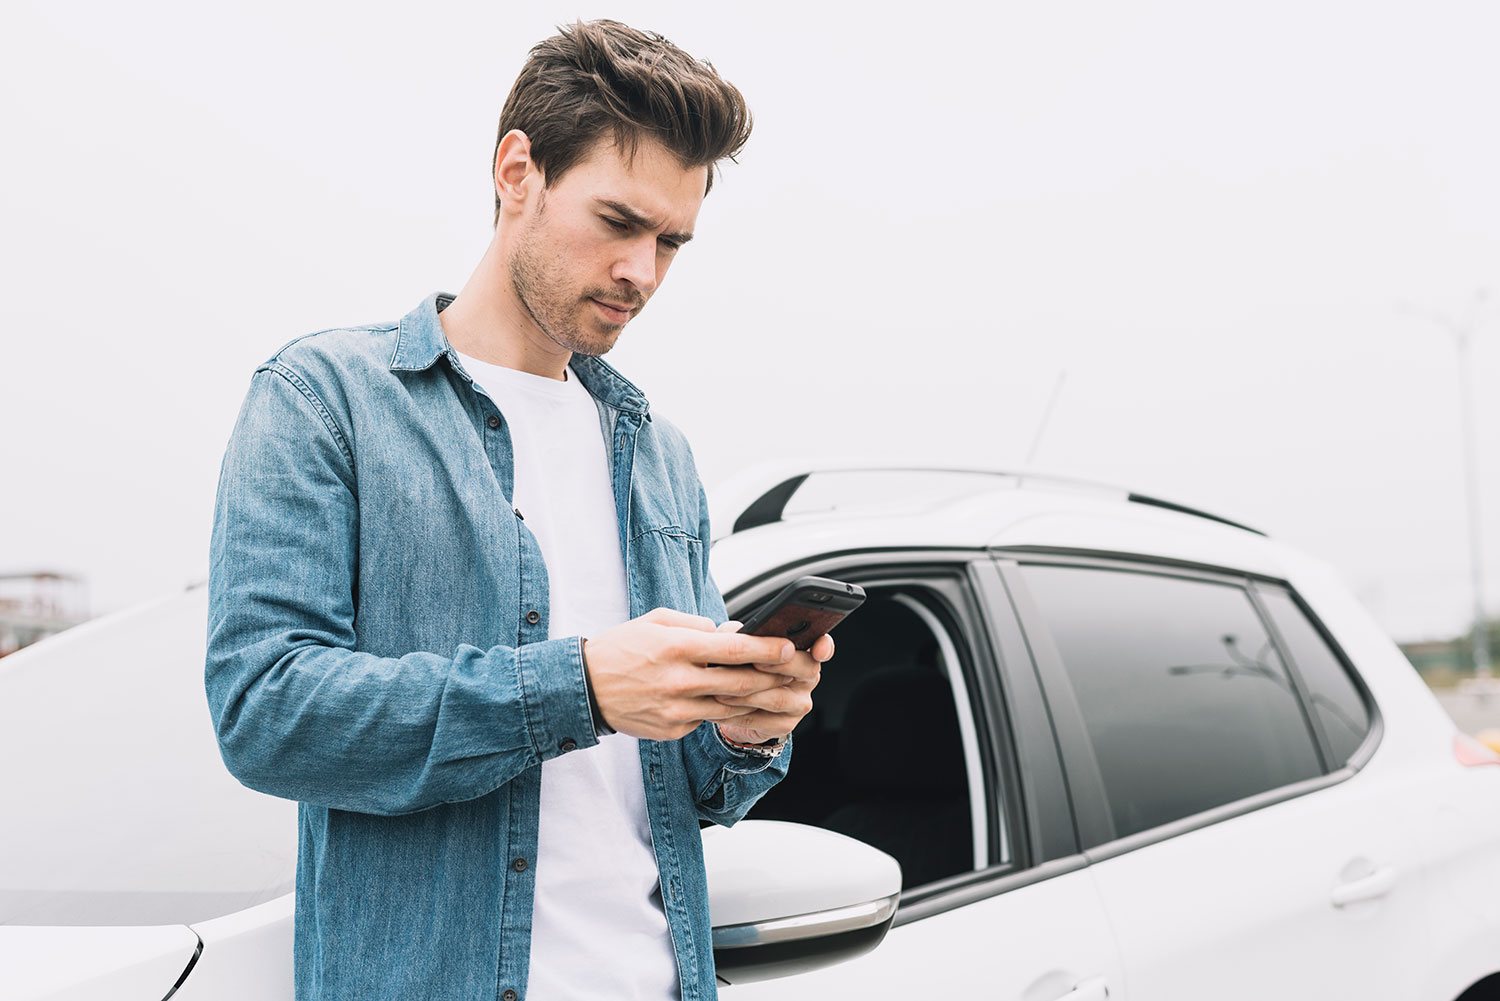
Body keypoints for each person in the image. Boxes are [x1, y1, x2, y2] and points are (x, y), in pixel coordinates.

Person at [204, 19, 832, 1001]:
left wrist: (751, 723)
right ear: (517, 172)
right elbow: (266, 712)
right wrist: (576, 688)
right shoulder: (325, 397)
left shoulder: (659, 457)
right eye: (619, 221)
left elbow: (695, 787)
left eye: (671, 240)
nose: (644, 271)